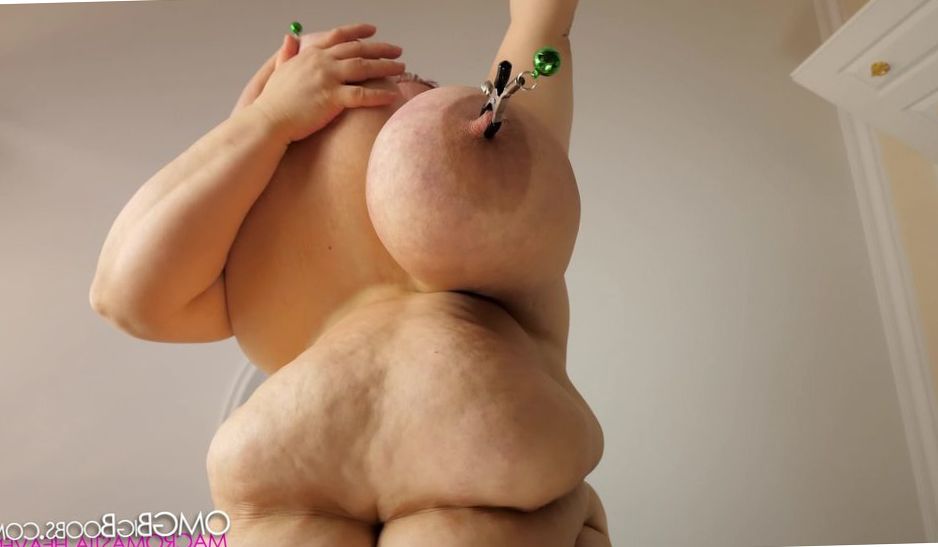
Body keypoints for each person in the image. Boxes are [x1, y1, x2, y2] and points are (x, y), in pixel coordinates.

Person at [89, 0, 610, 544]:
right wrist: (263, 121)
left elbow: (538, 29)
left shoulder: (491, 200)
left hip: (305, 456)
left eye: (416, 84)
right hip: (440, 445)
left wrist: (262, 121)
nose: (383, 81)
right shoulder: (265, 252)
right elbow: (121, 294)